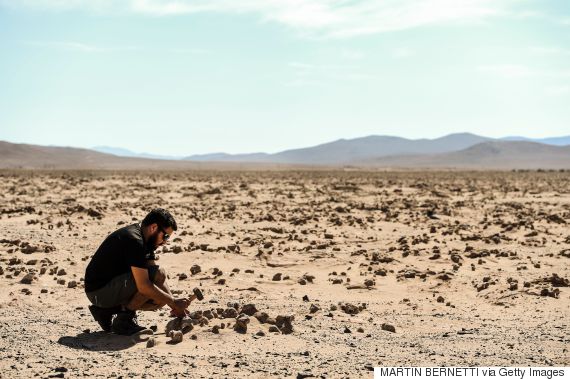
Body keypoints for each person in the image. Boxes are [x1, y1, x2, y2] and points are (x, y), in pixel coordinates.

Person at [84, 208, 193, 335]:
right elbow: (145, 286)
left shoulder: (146, 238)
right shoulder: (135, 240)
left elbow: (157, 276)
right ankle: (123, 321)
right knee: (152, 284)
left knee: (160, 299)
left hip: (105, 290)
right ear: (153, 227)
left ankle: (106, 311)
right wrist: (174, 303)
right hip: (99, 292)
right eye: (165, 236)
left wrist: (173, 303)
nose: (165, 242)